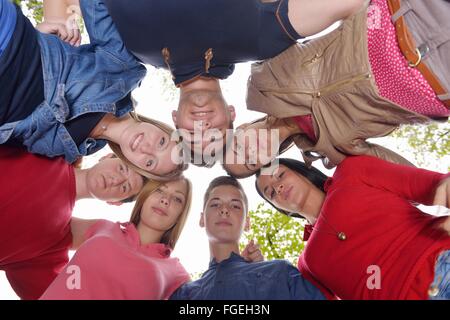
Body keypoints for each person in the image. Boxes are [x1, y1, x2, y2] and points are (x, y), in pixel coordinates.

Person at [102, 0, 366, 162]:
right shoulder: (261, 41)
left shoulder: (130, 53)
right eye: (215, 133)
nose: (202, 125)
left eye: (192, 134)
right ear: (231, 114)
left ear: (175, 120)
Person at [224, 0, 450, 177]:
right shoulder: (331, 151)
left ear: (241, 128)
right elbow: (401, 173)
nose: (250, 151)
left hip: (401, 18)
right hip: (438, 83)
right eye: (251, 162)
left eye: (237, 147)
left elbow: (290, 14)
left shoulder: (262, 78)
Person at [0, 0, 185, 180]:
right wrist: (38, 37)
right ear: (160, 127)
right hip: (10, 44)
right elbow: (97, 5)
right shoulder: (123, 70)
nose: (147, 149)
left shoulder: (69, 154)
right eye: (161, 142)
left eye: (149, 163)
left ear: (135, 165)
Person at [255, 156, 450, 299]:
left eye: (279, 175)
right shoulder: (307, 264)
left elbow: (433, 184)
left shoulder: (351, 172)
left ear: (301, 170)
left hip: (440, 263)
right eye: (270, 193)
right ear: (281, 209)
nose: (278, 187)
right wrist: (254, 271)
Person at [0, 145, 145, 299]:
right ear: (107, 157)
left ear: (115, 202)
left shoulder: (55, 243)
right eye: (122, 169)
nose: (116, 180)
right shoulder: (47, 147)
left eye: (125, 187)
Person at [170, 176, 326, 300]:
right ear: (202, 219)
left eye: (235, 206)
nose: (224, 210)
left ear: (247, 222)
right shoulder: (184, 295)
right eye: (215, 204)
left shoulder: (280, 273)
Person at [40, 178, 193, 299]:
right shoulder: (103, 228)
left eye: (177, 199)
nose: (166, 200)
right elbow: (43, 223)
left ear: (181, 215)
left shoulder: (176, 274)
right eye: (159, 190)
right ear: (144, 196)